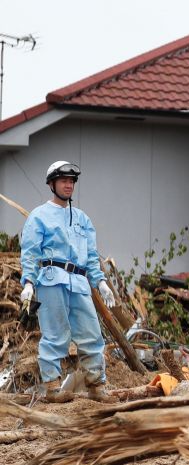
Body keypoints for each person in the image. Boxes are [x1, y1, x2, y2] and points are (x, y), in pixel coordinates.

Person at [20, 160, 118, 402]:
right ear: (52, 184)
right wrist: (29, 283)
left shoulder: (83, 218)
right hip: (52, 281)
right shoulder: (38, 216)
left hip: (80, 282)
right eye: (64, 180)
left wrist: (101, 282)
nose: (69, 185)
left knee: (92, 334)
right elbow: (31, 252)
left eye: (72, 181)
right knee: (55, 335)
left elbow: (92, 255)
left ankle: (96, 386)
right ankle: (52, 388)